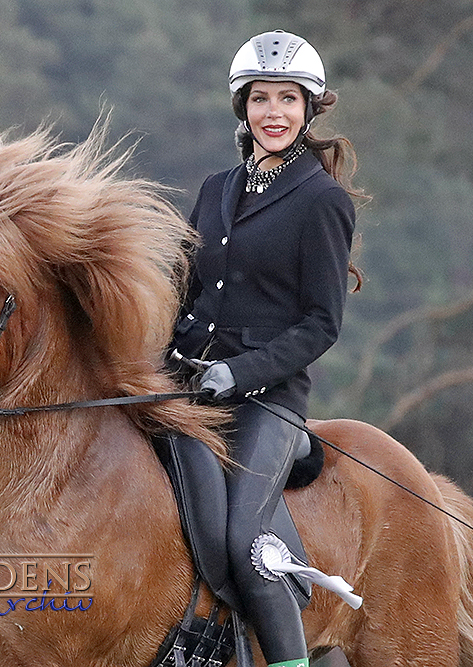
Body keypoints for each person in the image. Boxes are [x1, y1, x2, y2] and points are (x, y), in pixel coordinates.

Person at [171, 30, 362, 667]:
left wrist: (241, 372)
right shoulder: (214, 188)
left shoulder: (322, 201)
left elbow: (320, 324)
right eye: (260, 98)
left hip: (267, 400)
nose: (272, 112)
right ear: (242, 107)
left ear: (308, 109)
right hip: (187, 385)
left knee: (249, 540)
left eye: (287, 99)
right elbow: (186, 289)